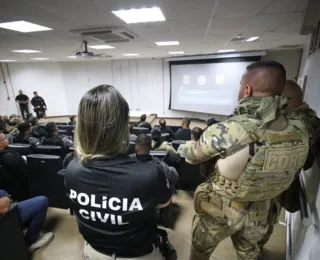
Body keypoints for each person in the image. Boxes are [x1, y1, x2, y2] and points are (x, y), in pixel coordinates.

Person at [186, 60, 310, 260]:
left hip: (223, 209)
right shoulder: (300, 130)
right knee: (250, 254)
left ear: (247, 90)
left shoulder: (229, 129)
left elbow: (192, 156)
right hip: (263, 210)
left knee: (200, 252)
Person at [65, 85, 171, 260]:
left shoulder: (72, 169)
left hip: (92, 252)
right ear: (123, 125)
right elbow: (163, 204)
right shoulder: (149, 173)